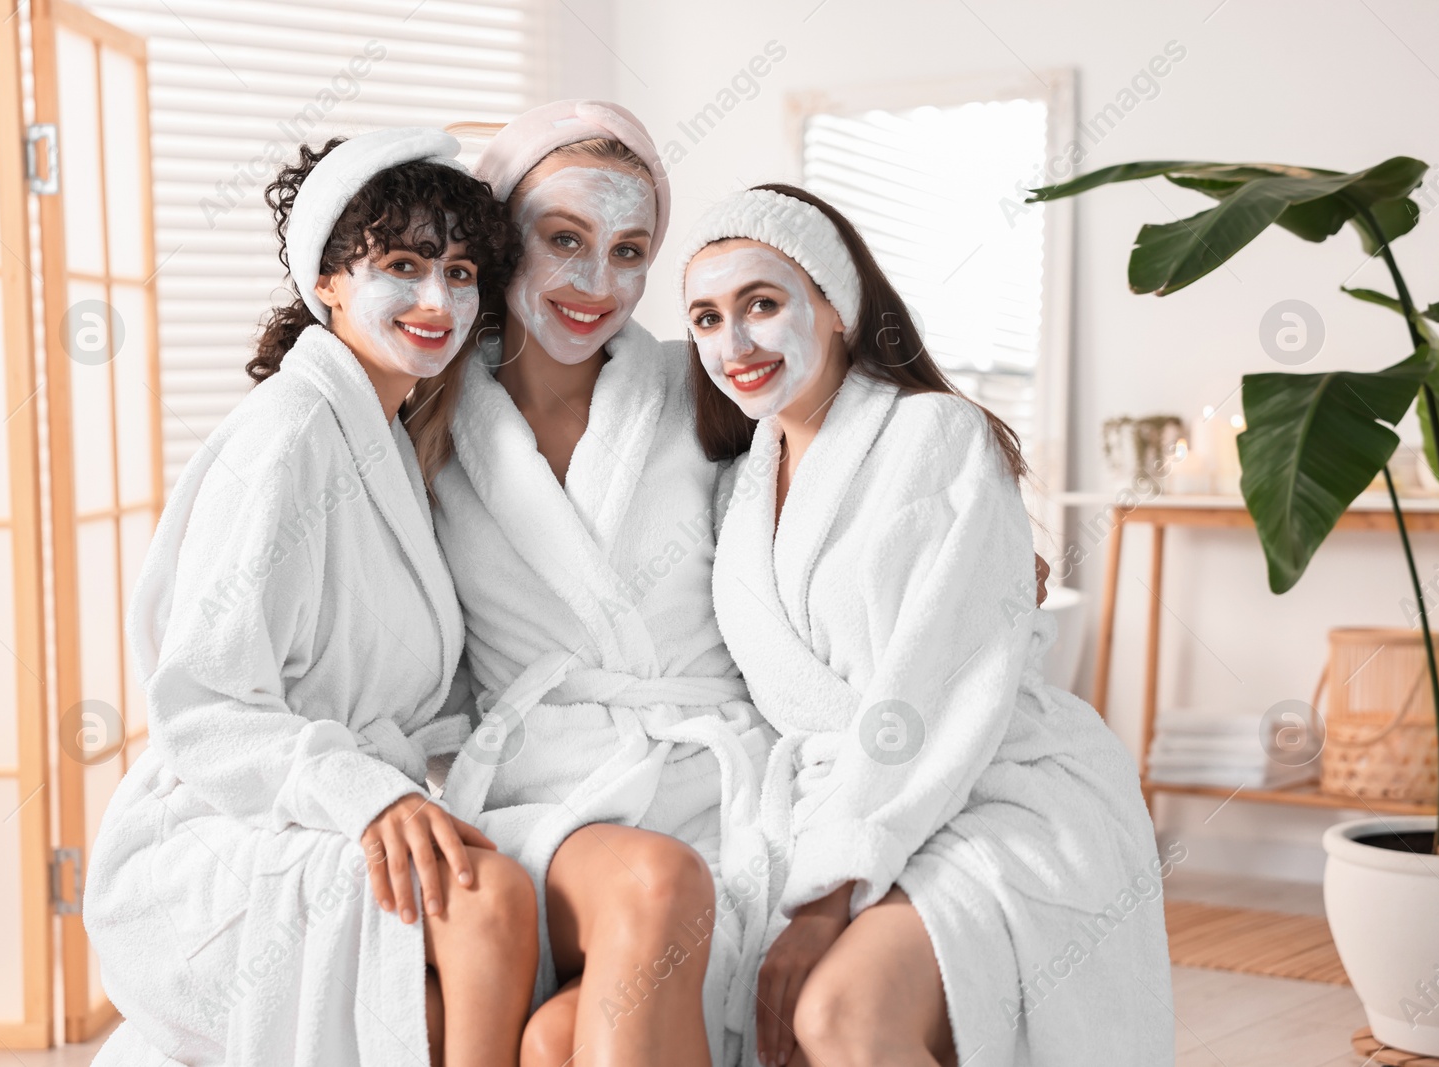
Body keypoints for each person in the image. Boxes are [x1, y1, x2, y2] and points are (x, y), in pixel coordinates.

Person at [679, 184, 1174, 1067]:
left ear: (835, 308)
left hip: (994, 784)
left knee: (838, 1014)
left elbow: (928, 688)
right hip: (845, 804)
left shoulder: (935, 436)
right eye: (707, 318)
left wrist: (829, 894)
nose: (736, 342)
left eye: (762, 303)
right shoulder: (735, 495)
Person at [83, 129, 539, 1067]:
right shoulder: (291, 437)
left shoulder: (386, 437)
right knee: (490, 901)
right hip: (217, 834)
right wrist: (368, 797)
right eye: (403, 265)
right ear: (328, 283)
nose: (436, 299)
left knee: (508, 914)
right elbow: (204, 702)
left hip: (316, 810)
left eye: (460, 273)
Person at [420, 101, 775, 1067]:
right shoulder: (430, 424)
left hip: (714, 782)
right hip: (545, 793)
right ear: (501, 240)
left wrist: (984, 534)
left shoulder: (701, 381)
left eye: (630, 251)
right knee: (656, 884)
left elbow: (856, 424)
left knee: (555, 1042)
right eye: (565, 240)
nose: (596, 283)